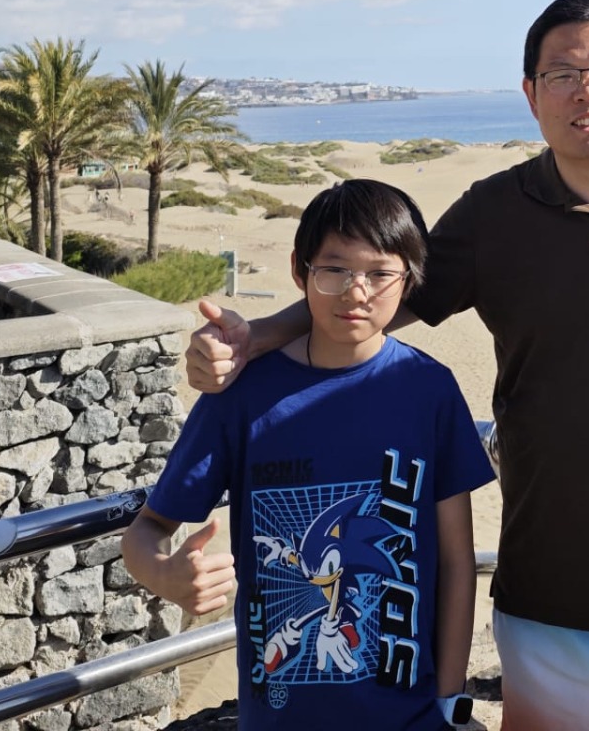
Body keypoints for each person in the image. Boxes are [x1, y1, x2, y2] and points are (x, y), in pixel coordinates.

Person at [185, 0, 589, 731]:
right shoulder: (494, 211)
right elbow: (375, 294)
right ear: (530, 95)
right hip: (545, 603)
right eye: (562, 73)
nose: (586, 89)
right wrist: (260, 335)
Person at [125, 180, 493, 730]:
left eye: (379, 273)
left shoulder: (429, 390)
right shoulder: (243, 397)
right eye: (335, 270)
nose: (356, 292)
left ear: (409, 279)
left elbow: (458, 561)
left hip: (410, 719)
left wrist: (447, 701)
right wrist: (164, 573)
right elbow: (147, 527)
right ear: (300, 272)